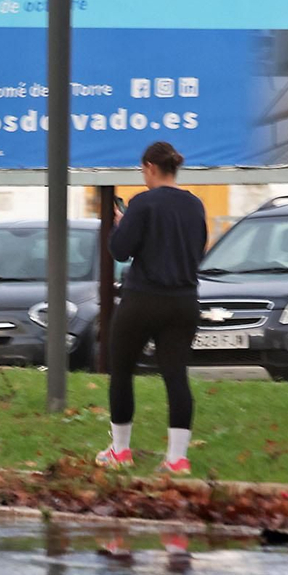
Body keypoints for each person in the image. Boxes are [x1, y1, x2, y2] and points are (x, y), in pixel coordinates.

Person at [97, 141, 207, 476]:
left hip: (144, 299)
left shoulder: (142, 203)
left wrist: (122, 223)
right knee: (176, 376)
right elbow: (199, 248)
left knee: (121, 371)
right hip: (184, 301)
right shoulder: (195, 205)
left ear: (149, 168)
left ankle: (120, 451)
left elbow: (120, 250)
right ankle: (177, 459)